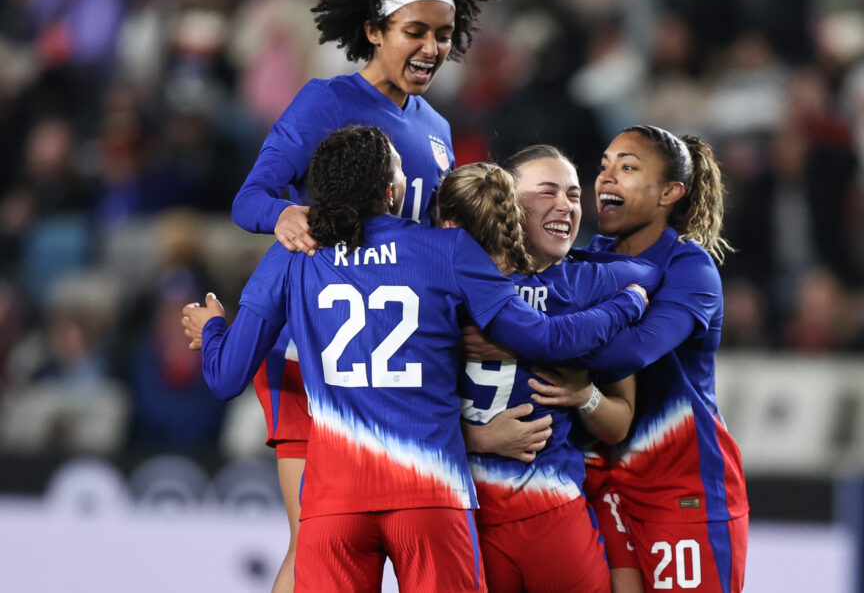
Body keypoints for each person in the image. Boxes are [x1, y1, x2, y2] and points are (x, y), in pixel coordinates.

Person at [182, 126, 652, 592]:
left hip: (336, 502)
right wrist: (626, 305)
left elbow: (225, 378)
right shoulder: (448, 251)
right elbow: (546, 340)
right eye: (403, 170)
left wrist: (212, 329)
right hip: (431, 496)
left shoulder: (291, 256)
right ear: (391, 190)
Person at [228, 0, 495, 590]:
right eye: (416, 31)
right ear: (374, 30)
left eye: (443, 33)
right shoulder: (326, 101)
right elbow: (249, 197)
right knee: (313, 540)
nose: (432, 47)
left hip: (398, 364)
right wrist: (285, 213)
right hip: (316, 354)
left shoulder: (437, 129)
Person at [446, 146, 657, 593]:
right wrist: (479, 437)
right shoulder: (447, 282)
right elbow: (398, 403)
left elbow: (618, 423)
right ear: (504, 200)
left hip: (546, 507)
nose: (565, 205)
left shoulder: (586, 283)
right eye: (548, 192)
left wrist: (585, 394)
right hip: (463, 512)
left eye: (575, 195)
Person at [577, 125, 749, 592]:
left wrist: (546, 345)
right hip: (607, 487)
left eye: (628, 168)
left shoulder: (690, 268)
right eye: (605, 165)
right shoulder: (591, 258)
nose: (607, 177)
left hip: (684, 492)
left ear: (670, 192)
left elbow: (635, 349)